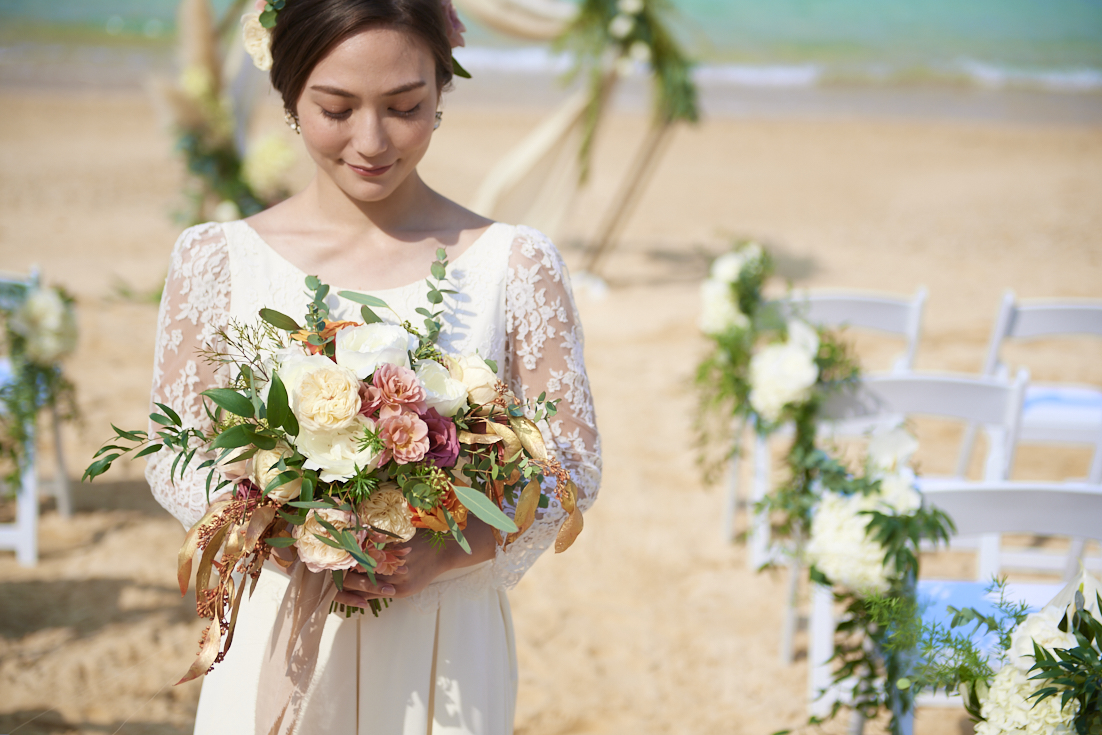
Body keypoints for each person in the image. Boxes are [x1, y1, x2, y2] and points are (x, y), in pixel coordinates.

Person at [144, 0, 601, 732]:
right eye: (336, 108)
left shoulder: (515, 264)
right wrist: (284, 533)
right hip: (277, 623)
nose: (371, 140)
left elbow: (570, 464)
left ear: (441, 89)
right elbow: (176, 451)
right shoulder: (214, 259)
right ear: (290, 95)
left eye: (404, 106)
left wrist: (443, 547)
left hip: (445, 641)